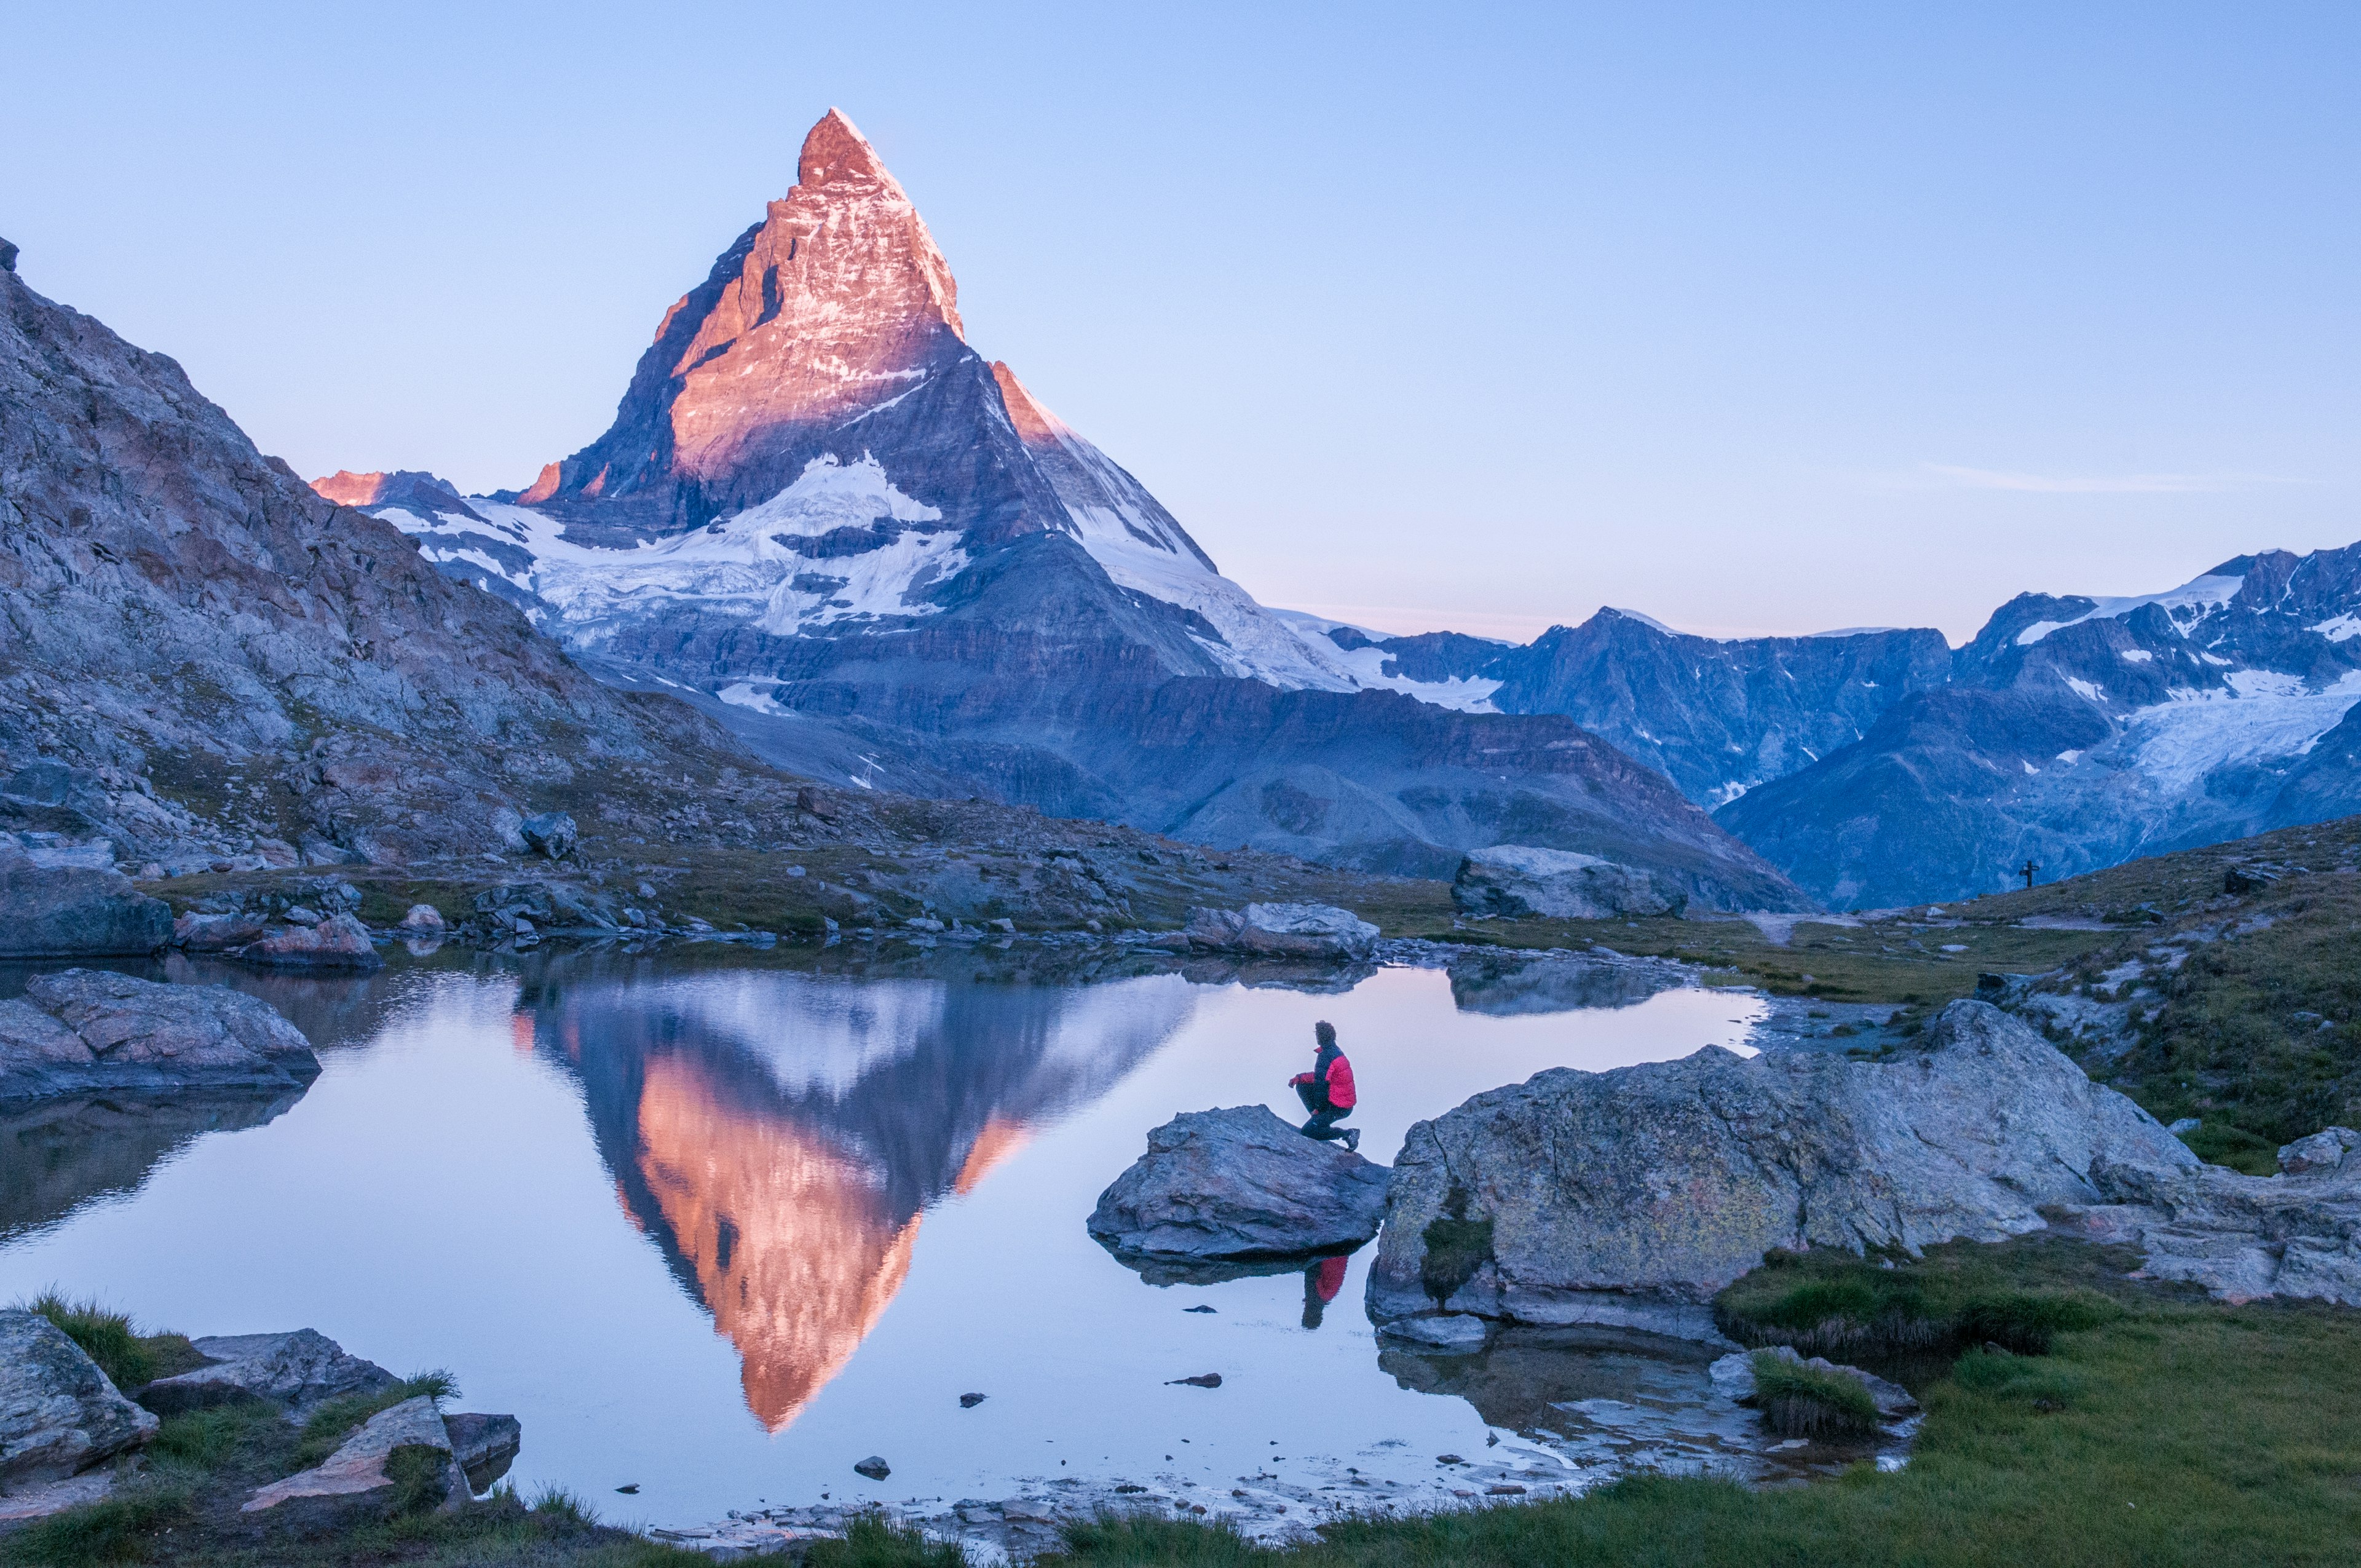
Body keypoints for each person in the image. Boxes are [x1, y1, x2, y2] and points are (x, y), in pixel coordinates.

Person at [1289, 1020, 1359, 1152]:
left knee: (1308, 1132)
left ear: (1320, 1037)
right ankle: (1318, 1120)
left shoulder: (1326, 1056)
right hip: (1338, 1102)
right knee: (1302, 1085)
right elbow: (1320, 1077)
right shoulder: (1334, 1051)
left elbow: (1321, 1087)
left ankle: (1348, 1134)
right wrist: (1299, 1078)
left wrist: (1319, 1109)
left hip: (1339, 1108)